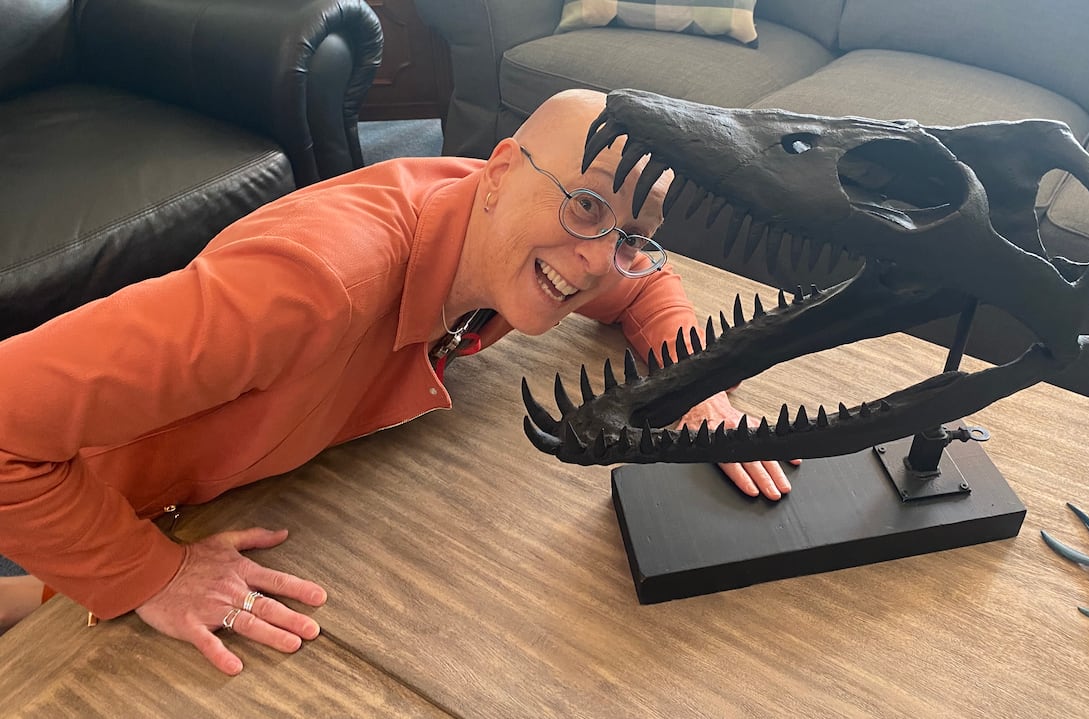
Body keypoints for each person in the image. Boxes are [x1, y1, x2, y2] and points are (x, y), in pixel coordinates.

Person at [0, 90, 795, 669]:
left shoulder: (525, 238)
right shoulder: (309, 285)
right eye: (585, 206)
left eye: (631, 233)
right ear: (501, 174)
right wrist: (153, 572)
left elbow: (646, 284)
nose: (600, 258)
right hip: (74, 502)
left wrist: (699, 385)